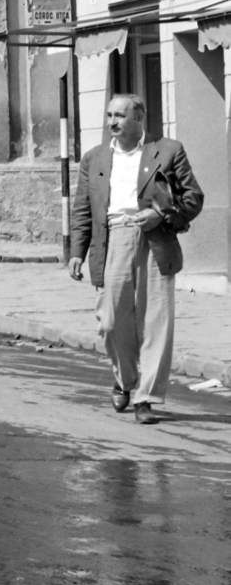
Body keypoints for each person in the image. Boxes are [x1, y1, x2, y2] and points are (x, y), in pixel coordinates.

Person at [68, 93, 203, 423]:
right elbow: (83, 209)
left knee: (156, 321)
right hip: (114, 239)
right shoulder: (95, 158)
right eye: (109, 115)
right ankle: (125, 379)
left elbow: (193, 197)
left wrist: (160, 214)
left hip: (156, 239)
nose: (112, 122)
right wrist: (76, 252)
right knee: (111, 321)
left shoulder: (168, 150)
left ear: (139, 119)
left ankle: (146, 397)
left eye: (120, 116)